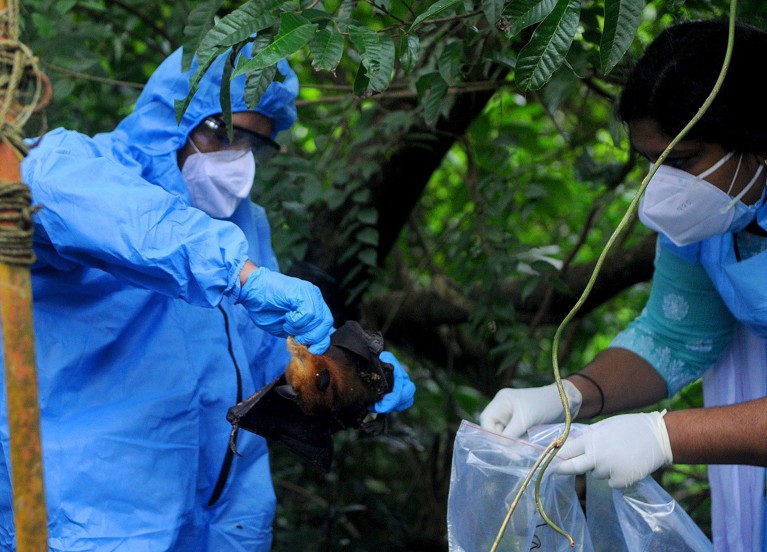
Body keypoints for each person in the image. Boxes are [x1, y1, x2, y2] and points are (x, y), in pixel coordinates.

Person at [1, 44, 415, 550]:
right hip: (98, 517)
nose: (237, 158)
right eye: (223, 132)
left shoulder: (245, 225)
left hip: (223, 517)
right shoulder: (84, 170)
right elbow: (87, 200)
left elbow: (265, 354)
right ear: (173, 116)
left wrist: (351, 375)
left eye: (254, 145)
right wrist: (238, 273)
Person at [479, 19, 767, 551]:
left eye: (681, 161)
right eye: (650, 162)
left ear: (757, 142)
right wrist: (567, 397)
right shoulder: (706, 222)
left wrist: (663, 436)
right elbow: (674, 336)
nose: (662, 184)